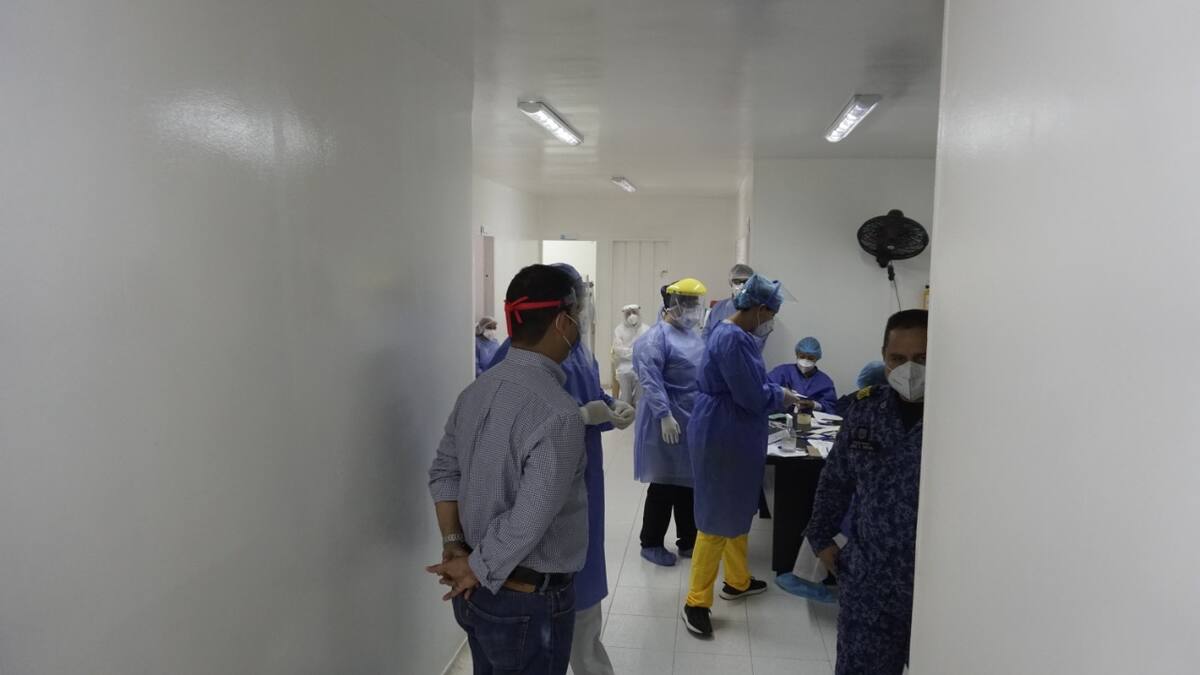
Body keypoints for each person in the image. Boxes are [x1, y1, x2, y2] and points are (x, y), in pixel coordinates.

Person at [426, 264, 590, 675]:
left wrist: (454, 545)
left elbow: (444, 472)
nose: (578, 327)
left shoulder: (475, 392)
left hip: (476, 596)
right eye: (577, 317)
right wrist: (471, 567)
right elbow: (528, 519)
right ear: (562, 322)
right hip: (525, 605)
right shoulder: (558, 413)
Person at [481, 264, 635, 675]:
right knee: (544, 613)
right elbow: (505, 426)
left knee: (585, 603)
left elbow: (591, 393)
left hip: (584, 484)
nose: (579, 314)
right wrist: (580, 416)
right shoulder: (514, 356)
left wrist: (611, 409)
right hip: (542, 494)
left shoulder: (576, 347)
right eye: (574, 306)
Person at [804, 309, 928, 675]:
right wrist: (821, 537)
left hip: (935, 588)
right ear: (884, 358)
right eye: (898, 358)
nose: (909, 369)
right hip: (868, 581)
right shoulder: (866, 410)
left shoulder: (962, 419)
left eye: (921, 358)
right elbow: (836, 479)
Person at [682, 274, 802, 637]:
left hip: (732, 428)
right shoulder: (732, 338)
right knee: (716, 516)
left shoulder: (733, 333)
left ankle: (737, 580)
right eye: (771, 315)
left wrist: (774, 391)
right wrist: (782, 396)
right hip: (724, 429)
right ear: (759, 308)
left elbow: (748, 382)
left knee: (736, 506)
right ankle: (696, 602)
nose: (770, 322)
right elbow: (750, 394)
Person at [632, 278, 708, 567]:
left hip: (690, 417)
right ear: (673, 304)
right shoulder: (654, 339)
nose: (692, 309)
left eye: (694, 303)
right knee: (663, 483)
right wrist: (664, 415)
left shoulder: (693, 335)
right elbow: (651, 381)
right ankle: (650, 543)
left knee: (688, 481)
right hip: (663, 419)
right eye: (687, 303)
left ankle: (689, 540)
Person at [767, 337, 838, 412]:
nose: (805, 361)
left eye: (810, 358)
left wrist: (814, 405)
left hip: (809, 418)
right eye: (802, 357)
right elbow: (765, 390)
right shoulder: (782, 371)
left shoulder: (825, 382)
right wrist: (783, 393)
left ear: (817, 358)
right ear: (796, 355)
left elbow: (830, 407)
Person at [702, 263, 754, 341]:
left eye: (746, 282)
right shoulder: (717, 307)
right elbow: (705, 335)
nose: (742, 286)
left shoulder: (756, 311)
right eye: (737, 281)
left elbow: (756, 342)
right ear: (730, 283)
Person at [612, 304, 649, 405]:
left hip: (642, 365)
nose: (632, 316)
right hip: (624, 365)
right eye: (628, 313)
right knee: (626, 396)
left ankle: (638, 406)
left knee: (640, 395)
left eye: (634, 312)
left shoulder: (646, 329)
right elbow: (618, 350)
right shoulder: (619, 330)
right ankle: (625, 406)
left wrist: (630, 352)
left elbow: (648, 349)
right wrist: (636, 352)